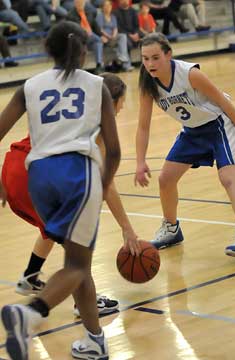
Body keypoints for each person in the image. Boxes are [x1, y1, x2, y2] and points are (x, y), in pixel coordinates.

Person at [0, 20, 121, 360]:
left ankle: (94, 341)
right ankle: (31, 313)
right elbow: (113, 150)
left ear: (47, 50)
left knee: (75, 261)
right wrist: (102, 184)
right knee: (77, 266)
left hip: (38, 176)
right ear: (84, 52)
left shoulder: (29, 86)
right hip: (76, 173)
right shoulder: (98, 86)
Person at [0, 72, 141, 317]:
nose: (123, 107)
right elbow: (108, 188)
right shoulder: (97, 128)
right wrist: (127, 229)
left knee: (55, 225)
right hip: (31, 176)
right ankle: (83, 303)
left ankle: (30, 277)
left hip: (13, 167)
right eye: (122, 101)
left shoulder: (71, 106)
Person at [134, 32, 235, 258]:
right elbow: (143, 127)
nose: (150, 64)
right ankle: (171, 228)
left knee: (228, 178)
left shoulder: (189, 73)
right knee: (166, 179)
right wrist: (140, 161)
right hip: (192, 131)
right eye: (145, 59)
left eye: (155, 58)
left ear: (168, 55)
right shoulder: (148, 83)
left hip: (219, 125)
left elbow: (223, 101)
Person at [67, 0, 104, 74]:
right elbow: (76, 29)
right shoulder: (70, 15)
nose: (80, 4)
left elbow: (94, 25)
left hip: (89, 37)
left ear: (84, 3)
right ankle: (98, 65)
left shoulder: (88, 12)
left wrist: (101, 35)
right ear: (75, 3)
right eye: (78, 3)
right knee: (97, 40)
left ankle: (99, 65)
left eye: (82, 3)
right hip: (78, 38)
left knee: (97, 43)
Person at [96, 0, 133, 72]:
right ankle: (126, 64)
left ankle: (123, 59)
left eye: (109, 6)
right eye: (106, 6)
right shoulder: (100, 16)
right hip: (105, 38)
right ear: (102, 7)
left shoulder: (113, 16)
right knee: (121, 44)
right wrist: (109, 36)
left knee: (122, 36)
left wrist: (114, 35)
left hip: (112, 37)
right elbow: (100, 29)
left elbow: (115, 28)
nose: (108, 7)